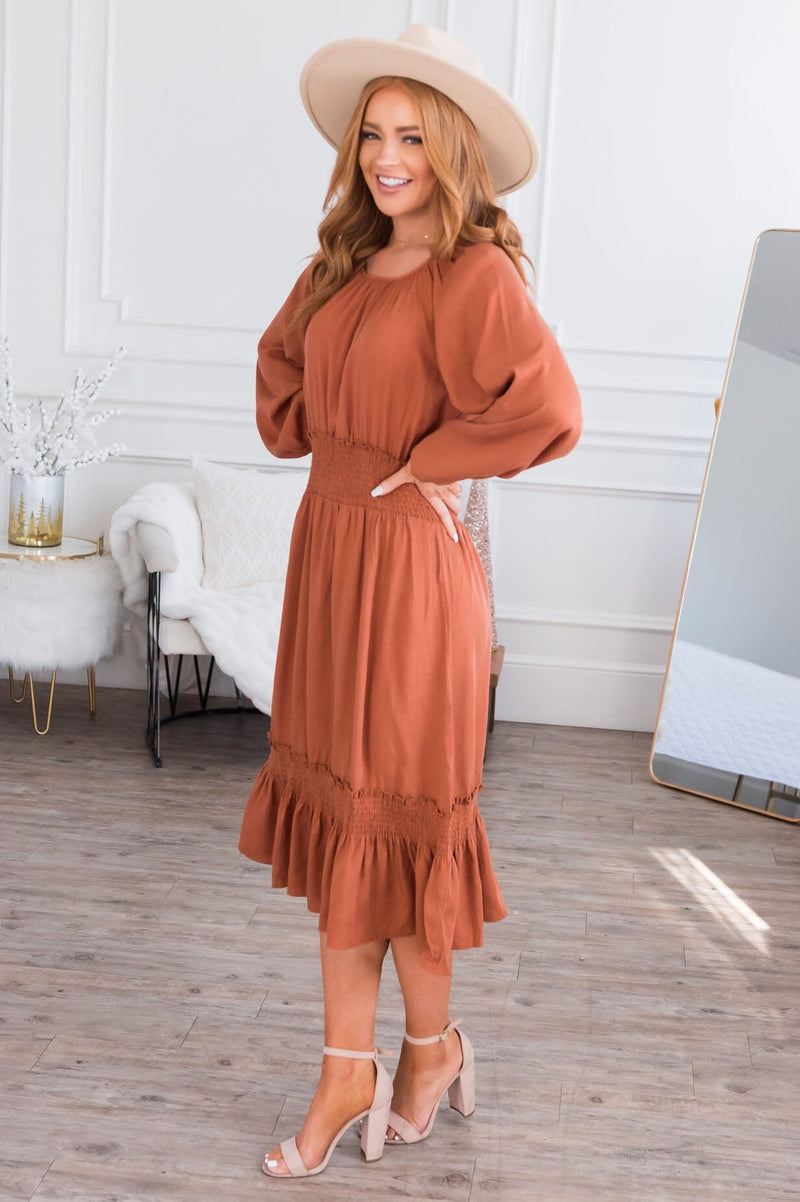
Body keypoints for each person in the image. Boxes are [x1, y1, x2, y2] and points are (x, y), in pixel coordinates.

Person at [238, 23, 582, 1180]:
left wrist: (432, 459)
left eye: (412, 138)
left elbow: (549, 407)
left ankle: (406, 1058)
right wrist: (348, 427)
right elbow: (281, 388)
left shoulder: (470, 275)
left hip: (412, 581)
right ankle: (380, 1060)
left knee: (400, 825)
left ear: (451, 149)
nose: (386, 159)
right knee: (348, 824)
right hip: (331, 560)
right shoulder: (340, 267)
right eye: (372, 136)